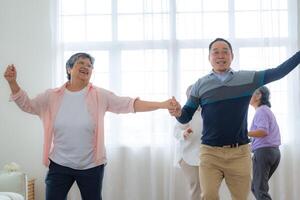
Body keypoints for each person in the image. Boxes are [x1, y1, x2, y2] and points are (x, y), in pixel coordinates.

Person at [3, 52, 176, 200]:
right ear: (69, 69)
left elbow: (129, 104)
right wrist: (12, 82)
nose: (86, 66)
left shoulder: (100, 95)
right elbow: (28, 105)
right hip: (59, 164)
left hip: (91, 166)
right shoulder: (51, 96)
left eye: (90, 65)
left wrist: (161, 104)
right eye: (81, 63)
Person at [169, 38, 300, 200]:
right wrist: (177, 112)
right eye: (215, 52)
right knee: (208, 195)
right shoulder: (200, 85)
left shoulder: (247, 78)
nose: (220, 55)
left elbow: (278, 72)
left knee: (240, 197)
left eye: (225, 51)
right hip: (210, 153)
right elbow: (185, 116)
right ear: (209, 57)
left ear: (232, 56)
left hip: (240, 153)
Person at [248, 86, 281, 200]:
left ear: (259, 96)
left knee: (259, 189)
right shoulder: (265, 110)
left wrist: (245, 133)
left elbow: (263, 131)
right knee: (256, 187)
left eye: (251, 93)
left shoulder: (261, 111)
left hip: (264, 153)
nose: (248, 96)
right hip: (272, 152)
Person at [173, 85, 202, 200]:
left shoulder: (207, 111)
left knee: (207, 188)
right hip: (187, 156)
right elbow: (176, 131)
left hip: (204, 156)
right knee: (196, 186)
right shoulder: (186, 112)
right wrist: (183, 133)